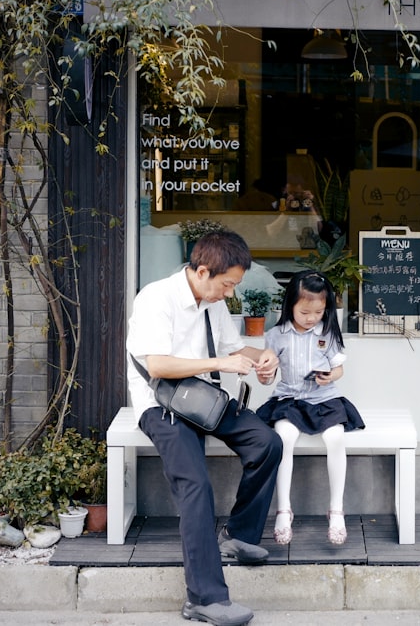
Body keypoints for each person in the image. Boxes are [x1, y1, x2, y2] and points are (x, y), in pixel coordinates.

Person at [126, 230, 282, 626]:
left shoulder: (211, 302)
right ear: (201, 271)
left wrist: (263, 357)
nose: (229, 294)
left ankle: (239, 538)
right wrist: (222, 366)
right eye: (227, 284)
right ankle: (203, 598)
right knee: (195, 485)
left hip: (203, 401)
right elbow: (158, 365)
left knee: (267, 443)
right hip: (162, 406)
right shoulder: (156, 299)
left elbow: (233, 350)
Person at [254, 270, 365, 546]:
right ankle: (283, 509)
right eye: (304, 311)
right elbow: (268, 374)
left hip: (324, 399)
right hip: (289, 400)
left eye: (318, 311)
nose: (311, 317)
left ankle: (336, 510)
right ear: (290, 304)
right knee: (284, 439)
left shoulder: (327, 332)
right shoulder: (276, 335)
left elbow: (338, 369)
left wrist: (330, 375)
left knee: (335, 438)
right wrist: (265, 374)